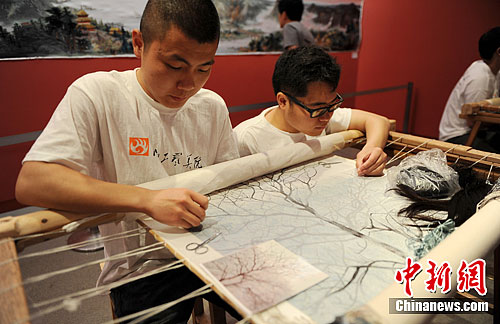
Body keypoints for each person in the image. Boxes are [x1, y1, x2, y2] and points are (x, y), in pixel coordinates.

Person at [15, 0, 240, 322]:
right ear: (139, 43)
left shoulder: (211, 106)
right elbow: (34, 180)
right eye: (176, 66)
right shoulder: (98, 93)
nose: (189, 84)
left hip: (214, 245)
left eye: (204, 68)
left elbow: (231, 180)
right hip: (144, 268)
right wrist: (146, 200)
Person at [234, 46, 390, 176]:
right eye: (317, 109)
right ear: (283, 101)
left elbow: (378, 121)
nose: (326, 117)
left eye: (332, 105)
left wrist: (372, 148)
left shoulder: (322, 116)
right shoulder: (247, 138)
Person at [438, 26, 500, 153]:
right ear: (499, 51)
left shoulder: (495, 73)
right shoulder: (480, 76)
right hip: (456, 135)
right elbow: (473, 118)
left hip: (473, 131)